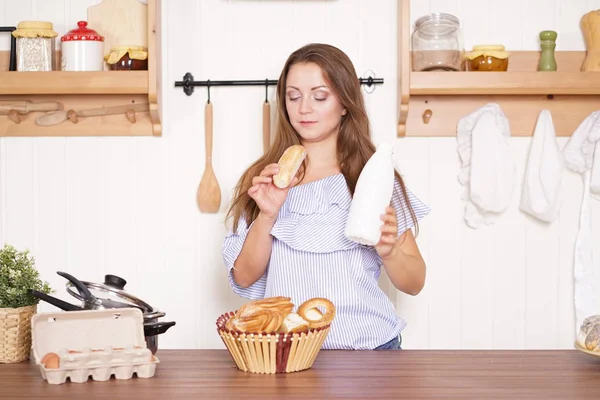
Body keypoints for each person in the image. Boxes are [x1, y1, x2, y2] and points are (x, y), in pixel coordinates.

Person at [221, 43, 430, 350]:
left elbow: (415, 282)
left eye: (320, 96)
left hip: (371, 351)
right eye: (293, 96)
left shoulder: (372, 177)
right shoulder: (265, 179)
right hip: (288, 353)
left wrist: (390, 252)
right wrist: (267, 215)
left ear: (345, 103)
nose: (304, 108)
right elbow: (244, 277)